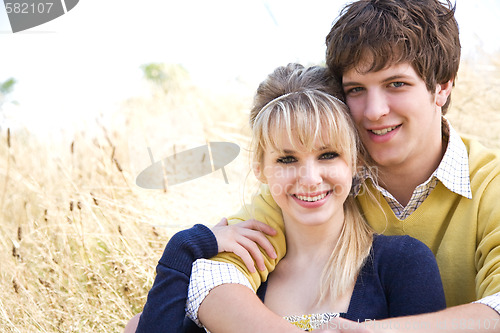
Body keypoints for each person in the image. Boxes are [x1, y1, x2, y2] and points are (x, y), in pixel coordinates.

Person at [187, 0, 500, 332]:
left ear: (443, 85)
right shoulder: (318, 186)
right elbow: (213, 279)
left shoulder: (490, 187)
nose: (374, 111)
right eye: (356, 89)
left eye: (397, 84)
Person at [131, 63, 446, 332]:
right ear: (260, 168)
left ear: (355, 162)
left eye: (328, 155)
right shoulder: (239, 277)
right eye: (286, 159)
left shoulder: (402, 264)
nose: (309, 179)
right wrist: (184, 248)